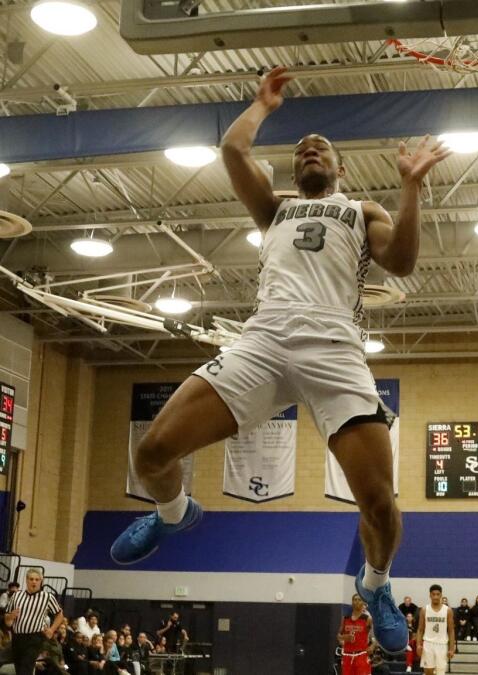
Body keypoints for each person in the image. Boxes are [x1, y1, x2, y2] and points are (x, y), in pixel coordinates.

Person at [107, 65, 450, 654]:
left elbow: (402, 263)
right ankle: (173, 511)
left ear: (338, 167)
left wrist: (412, 188)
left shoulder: (362, 210)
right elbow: (233, 149)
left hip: (334, 349)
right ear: (295, 170)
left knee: (380, 504)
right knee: (151, 452)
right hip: (263, 342)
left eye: (320, 148)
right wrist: (263, 105)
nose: (309, 149)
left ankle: (376, 584)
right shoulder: (274, 210)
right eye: (301, 149)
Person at [4, 568, 65, 675]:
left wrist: (51, 630)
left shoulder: (47, 597)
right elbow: (6, 617)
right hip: (17, 637)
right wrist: (11, 616)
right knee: (19, 668)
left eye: (37, 579)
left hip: (35, 637)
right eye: (31, 579)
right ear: (26, 580)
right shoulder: (17, 595)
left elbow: (60, 615)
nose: (34, 582)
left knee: (26, 669)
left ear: (41, 581)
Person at [417, 584, 456, 675]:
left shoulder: (448, 610)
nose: (436, 596)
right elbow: (420, 629)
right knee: (428, 672)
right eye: (433, 594)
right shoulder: (424, 610)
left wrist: (451, 648)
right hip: (428, 644)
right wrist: (418, 645)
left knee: (440, 672)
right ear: (430, 595)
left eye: (438, 594)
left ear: (441, 595)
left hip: (442, 644)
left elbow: (451, 630)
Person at [339, 594, 373, 675]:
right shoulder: (345, 618)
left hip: (361, 655)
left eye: (359, 600)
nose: (357, 601)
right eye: (355, 599)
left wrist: (373, 646)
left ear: (363, 603)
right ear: (352, 602)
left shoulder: (367, 619)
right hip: (347, 655)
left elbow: (378, 636)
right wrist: (344, 638)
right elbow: (339, 636)